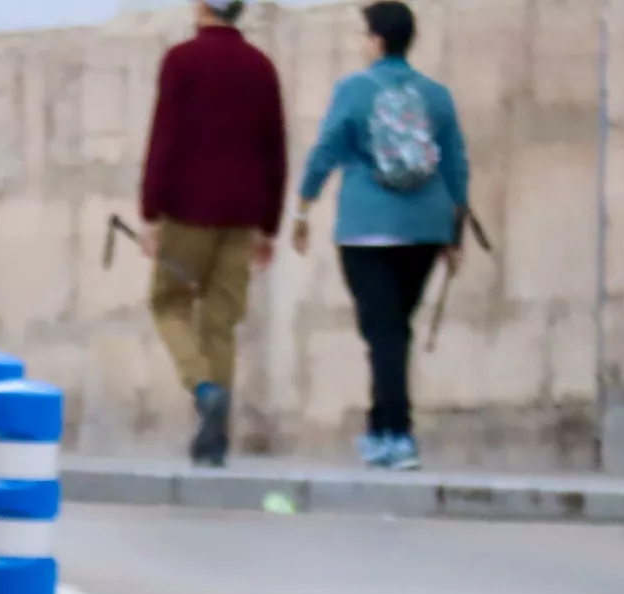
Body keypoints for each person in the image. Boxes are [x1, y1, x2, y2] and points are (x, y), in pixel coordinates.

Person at [293, 1, 470, 471]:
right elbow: (455, 162)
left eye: (361, 33)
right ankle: (379, 429)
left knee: (383, 332)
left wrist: (303, 205)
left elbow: (326, 148)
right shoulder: (437, 95)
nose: (359, 41)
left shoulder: (353, 90)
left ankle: (399, 435)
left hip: (366, 227)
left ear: (376, 39)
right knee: (393, 331)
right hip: (425, 229)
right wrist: (455, 233)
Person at [137, 0, 289, 468]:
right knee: (221, 322)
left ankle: (204, 390)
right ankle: (214, 439)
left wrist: (150, 211)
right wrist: (269, 225)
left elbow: (166, 138)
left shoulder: (181, 60)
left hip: (187, 210)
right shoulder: (261, 66)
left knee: (169, 303)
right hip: (242, 216)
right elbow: (274, 148)